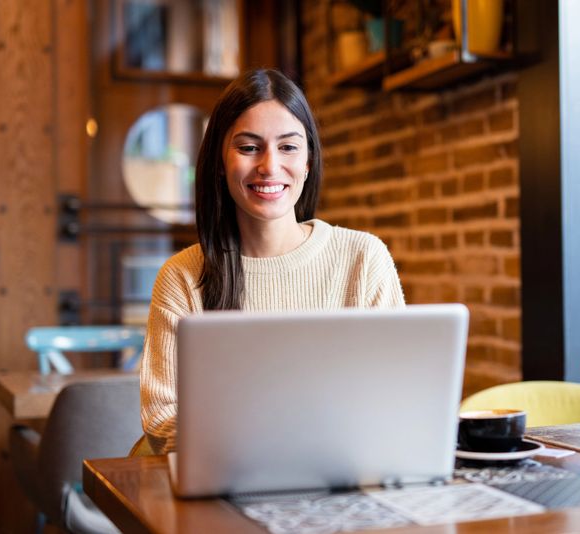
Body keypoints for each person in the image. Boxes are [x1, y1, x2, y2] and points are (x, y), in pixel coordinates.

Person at [140, 68, 405, 453]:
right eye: (248, 147)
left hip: (346, 477)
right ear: (218, 161)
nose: (269, 166)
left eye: (288, 147)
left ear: (309, 161)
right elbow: (163, 422)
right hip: (229, 485)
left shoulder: (363, 259)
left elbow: (398, 397)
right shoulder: (182, 277)